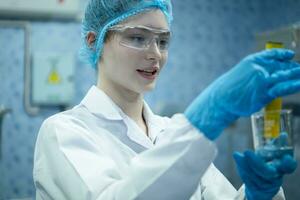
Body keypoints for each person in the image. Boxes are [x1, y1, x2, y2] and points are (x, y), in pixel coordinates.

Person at [33, 0, 300, 199]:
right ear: (94, 42)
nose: (155, 55)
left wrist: (257, 194)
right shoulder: (64, 132)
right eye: (138, 38)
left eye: (162, 41)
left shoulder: (170, 131)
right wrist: (205, 116)